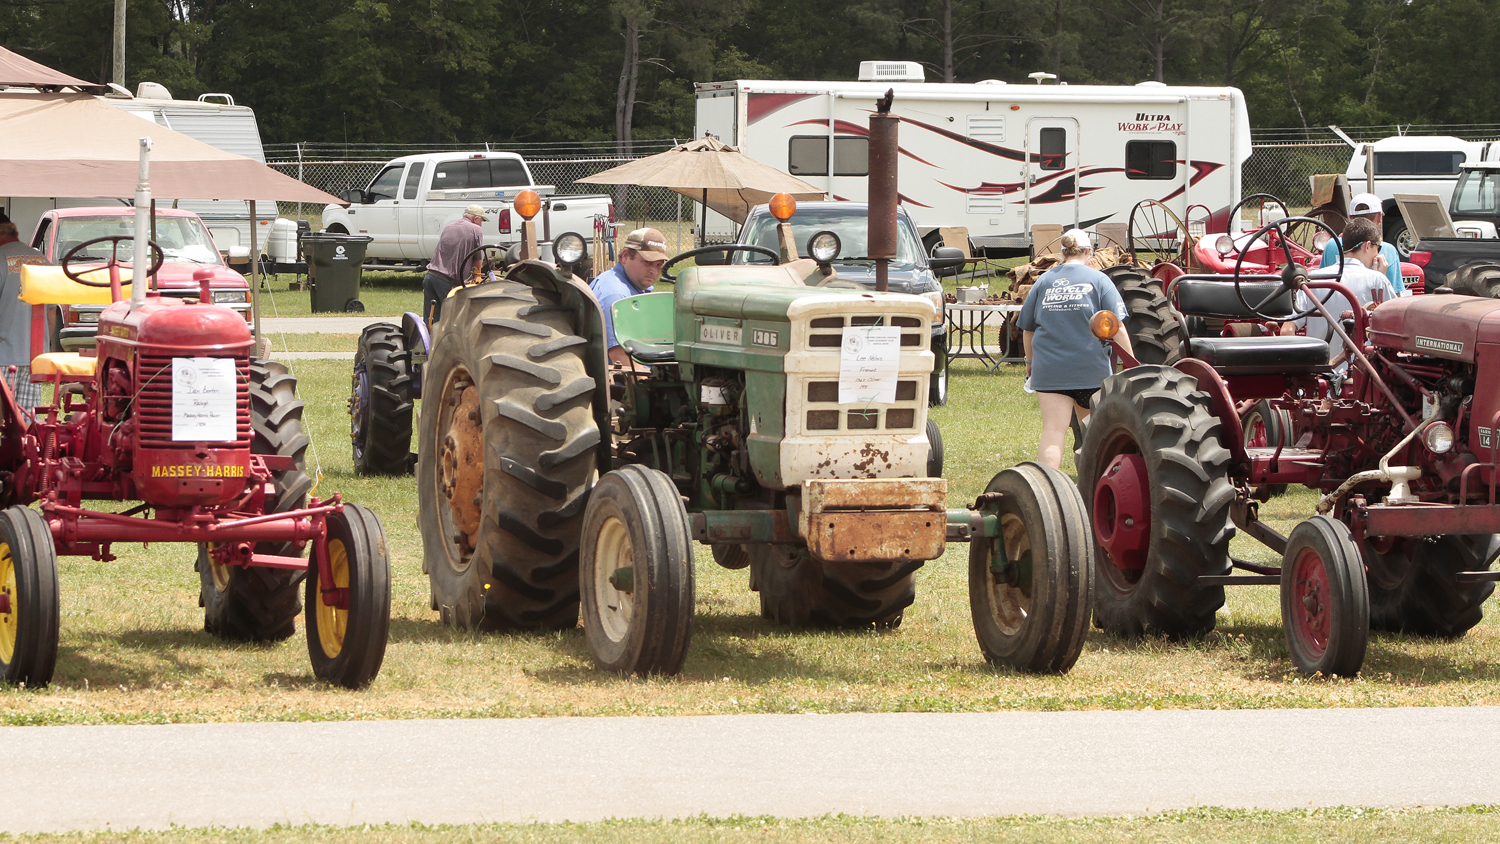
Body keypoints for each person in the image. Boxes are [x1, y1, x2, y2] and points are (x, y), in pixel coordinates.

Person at [1017, 228, 1134, 469]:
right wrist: (1132, 364)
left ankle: (1049, 490)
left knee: (1053, 431)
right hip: (1091, 370)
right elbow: (1117, 326)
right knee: (1093, 432)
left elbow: (1027, 330)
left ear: (1062, 252)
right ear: (1089, 252)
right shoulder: (1100, 280)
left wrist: (1030, 364)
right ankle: (1094, 485)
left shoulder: (1044, 281)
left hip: (1050, 371)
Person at [1298, 216, 1396, 371]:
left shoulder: (1314, 279)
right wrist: (1381, 277)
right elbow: (1393, 324)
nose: (1378, 254)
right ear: (1367, 245)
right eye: (1378, 248)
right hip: (1364, 374)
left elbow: (1291, 324)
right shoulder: (1377, 280)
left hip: (1320, 374)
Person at [590, 227, 669, 366]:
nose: (653, 271)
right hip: (624, 383)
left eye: (658, 265)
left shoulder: (636, 287)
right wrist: (648, 384)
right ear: (625, 256)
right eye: (647, 262)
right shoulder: (616, 294)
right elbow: (619, 356)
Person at [0, 215, 46, 408]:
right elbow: (51, 312)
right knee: (28, 419)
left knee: (3, 416)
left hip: (3, 355)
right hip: (35, 355)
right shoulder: (42, 260)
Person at [1319, 192, 1404, 293]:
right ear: (1379, 217)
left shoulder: (1332, 245)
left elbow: (1322, 282)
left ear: (1350, 218)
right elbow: (1395, 296)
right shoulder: (1388, 250)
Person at [423, 204, 487, 324]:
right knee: (454, 321)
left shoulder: (449, 226)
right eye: (481, 221)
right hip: (448, 282)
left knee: (431, 320)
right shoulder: (476, 229)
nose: (481, 224)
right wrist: (477, 274)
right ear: (476, 218)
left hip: (430, 277)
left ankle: (430, 341)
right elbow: (478, 261)